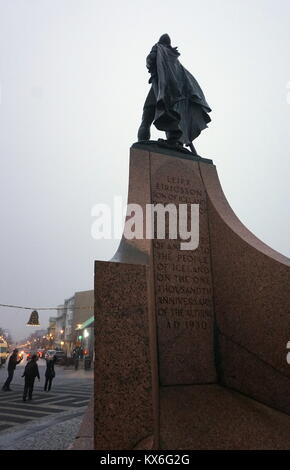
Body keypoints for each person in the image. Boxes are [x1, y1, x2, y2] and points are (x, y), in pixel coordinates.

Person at [137, 33, 211, 154]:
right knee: (170, 114)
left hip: (161, 88)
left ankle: (143, 145)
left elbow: (150, 61)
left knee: (148, 116)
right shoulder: (175, 59)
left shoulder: (159, 49)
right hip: (174, 92)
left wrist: (152, 59)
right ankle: (174, 142)